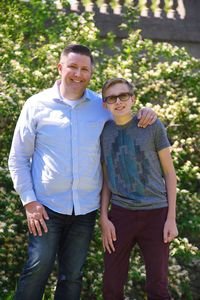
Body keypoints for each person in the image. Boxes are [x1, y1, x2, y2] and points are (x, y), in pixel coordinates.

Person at [8, 45, 157, 300]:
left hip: (85, 210)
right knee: (37, 268)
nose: (78, 74)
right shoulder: (36, 105)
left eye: (84, 69)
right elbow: (18, 157)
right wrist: (29, 201)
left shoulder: (101, 107)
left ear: (90, 73)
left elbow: (127, 116)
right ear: (60, 68)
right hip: (46, 207)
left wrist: (147, 112)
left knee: (72, 275)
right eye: (73, 67)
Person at [100, 78, 178, 300]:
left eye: (123, 96)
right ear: (105, 104)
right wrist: (104, 217)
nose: (118, 101)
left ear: (133, 99)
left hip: (156, 213)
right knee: (111, 287)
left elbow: (170, 173)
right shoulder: (104, 133)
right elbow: (107, 179)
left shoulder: (152, 126)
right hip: (121, 215)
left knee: (158, 287)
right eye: (112, 98)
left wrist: (171, 218)